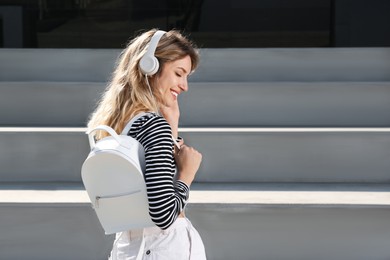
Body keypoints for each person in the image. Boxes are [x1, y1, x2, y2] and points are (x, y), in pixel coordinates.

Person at [87, 29, 207, 260]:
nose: (184, 86)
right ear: (149, 67)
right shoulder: (153, 127)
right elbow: (164, 214)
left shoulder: (116, 127)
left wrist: (171, 126)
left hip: (129, 247)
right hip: (164, 247)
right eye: (179, 73)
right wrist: (187, 174)